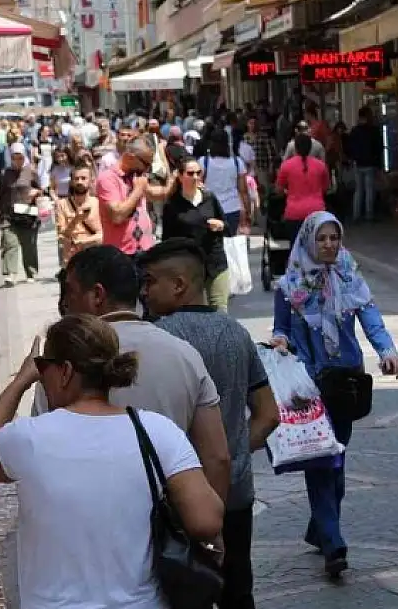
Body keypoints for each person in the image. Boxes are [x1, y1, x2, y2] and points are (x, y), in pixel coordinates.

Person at [0, 314, 224, 609]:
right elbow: (207, 520)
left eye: (42, 367)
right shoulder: (156, 431)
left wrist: (21, 381)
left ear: (65, 371)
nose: (40, 376)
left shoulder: (28, 439)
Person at [140, 238, 279, 609]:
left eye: (151, 281)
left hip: (175, 496)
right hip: (235, 492)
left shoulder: (159, 339)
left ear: (179, 285)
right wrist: (233, 449)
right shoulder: (237, 333)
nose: (145, 292)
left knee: (182, 591)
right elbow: (268, 414)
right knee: (237, 590)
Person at [34, 245, 232, 499]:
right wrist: (210, 528)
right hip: (168, 522)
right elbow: (217, 458)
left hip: (87, 521)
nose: (64, 304)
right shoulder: (184, 355)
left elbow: (40, 456)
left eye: (70, 292)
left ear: (97, 295)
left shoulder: (61, 364)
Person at [268, 211, 398, 577]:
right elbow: (281, 327)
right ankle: (333, 542)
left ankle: (319, 527)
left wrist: (387, 351)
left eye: (334, 238)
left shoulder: (350, 278)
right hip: (308, 386)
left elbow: (371, 319)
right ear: (309, 241)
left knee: (337, 459)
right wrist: (280, 340)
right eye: (322, 239)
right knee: (322, 460)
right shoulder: (289, 286)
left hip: (346, 382)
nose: (329, 245)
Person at [160, 157, 230, 312]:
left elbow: (227, 227)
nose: (196, 177)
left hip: (215, 264)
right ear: (180, 176)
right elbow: (168, 241)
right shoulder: (172, 205)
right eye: (190, 173)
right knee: (195, 313)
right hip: (189, 268)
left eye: (199, 173)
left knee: (220, 312)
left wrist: (220, 225)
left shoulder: (209, 198)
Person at [0, 143, 47, 285]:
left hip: (28, 214)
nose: (18, 161)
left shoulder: (31, 172)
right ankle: (10, 273)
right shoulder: (7, 173)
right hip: (8, 214)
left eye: (20, 158)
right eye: (14, 158)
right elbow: (1, 193)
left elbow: (41, 190)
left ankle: (31, 272)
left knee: (28, 245)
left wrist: (36, 192)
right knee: (10, 243)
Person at [276, 134, 330, 239]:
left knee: (295, 247)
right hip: (317, 211)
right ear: (310, 148)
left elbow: (279, 190)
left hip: (294, 213)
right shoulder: (321, 166)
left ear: (295, 148)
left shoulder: (286, 166)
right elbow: (326, 188)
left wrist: (288, 191)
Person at [199, 129, 252, 236]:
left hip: (210, 208)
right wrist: (248, 212)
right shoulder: (237, 163)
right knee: (230, 241)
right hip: (232, 208)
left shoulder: (203, 162)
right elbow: (243, 191)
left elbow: (198, 186)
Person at [55, 163, 103, 266]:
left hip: (94, 256)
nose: (79, 182)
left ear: (91, 181)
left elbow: (103, 234)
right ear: (71, 182)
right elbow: (62, 235)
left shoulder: (98, 203)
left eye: (83, 178)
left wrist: (83, 242)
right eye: (76, 179)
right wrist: (76, 220)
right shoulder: (62, 204)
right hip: (72, 258)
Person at [345, 108, 384, 222]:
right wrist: (378, 164)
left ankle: (356, 214)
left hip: (358, 163)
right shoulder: (374, 130)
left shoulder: (354, 131)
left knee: (358, 190)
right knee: (369, 189)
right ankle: (369, 214)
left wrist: (353, 159)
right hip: (370, 164)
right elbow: (379, 147)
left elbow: (349, 147)